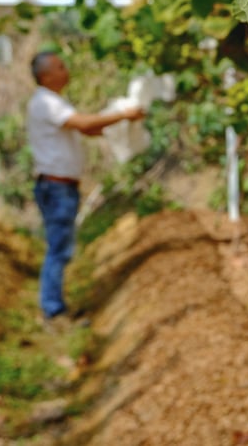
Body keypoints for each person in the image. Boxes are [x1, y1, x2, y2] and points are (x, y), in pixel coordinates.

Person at [27, 50, 146, 325]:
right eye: (60, 67)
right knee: (59, 249)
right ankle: (53, 310)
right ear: (46, 75)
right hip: (57, 188)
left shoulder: (52, 102)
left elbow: (88, 129)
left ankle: (54, 305)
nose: (66, 70)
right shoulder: (46, 102)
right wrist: (122, 114)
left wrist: (121, 123)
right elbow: (84, 123)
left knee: (59, 247)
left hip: (59, 186)